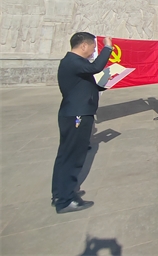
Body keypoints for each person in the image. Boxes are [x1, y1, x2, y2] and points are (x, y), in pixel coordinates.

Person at [51, 32, 113, 213]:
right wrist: (108, 47)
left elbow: (85, 83)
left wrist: (106, 82)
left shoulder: (75, 63)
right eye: (93, 47)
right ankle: (65, 200)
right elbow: (96, 67)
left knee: (66, 156)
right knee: (73, 157)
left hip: (74, 113)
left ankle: (60, 194)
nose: (94, 51)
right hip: (77, 115)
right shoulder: (73, 61)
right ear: (84, 46)